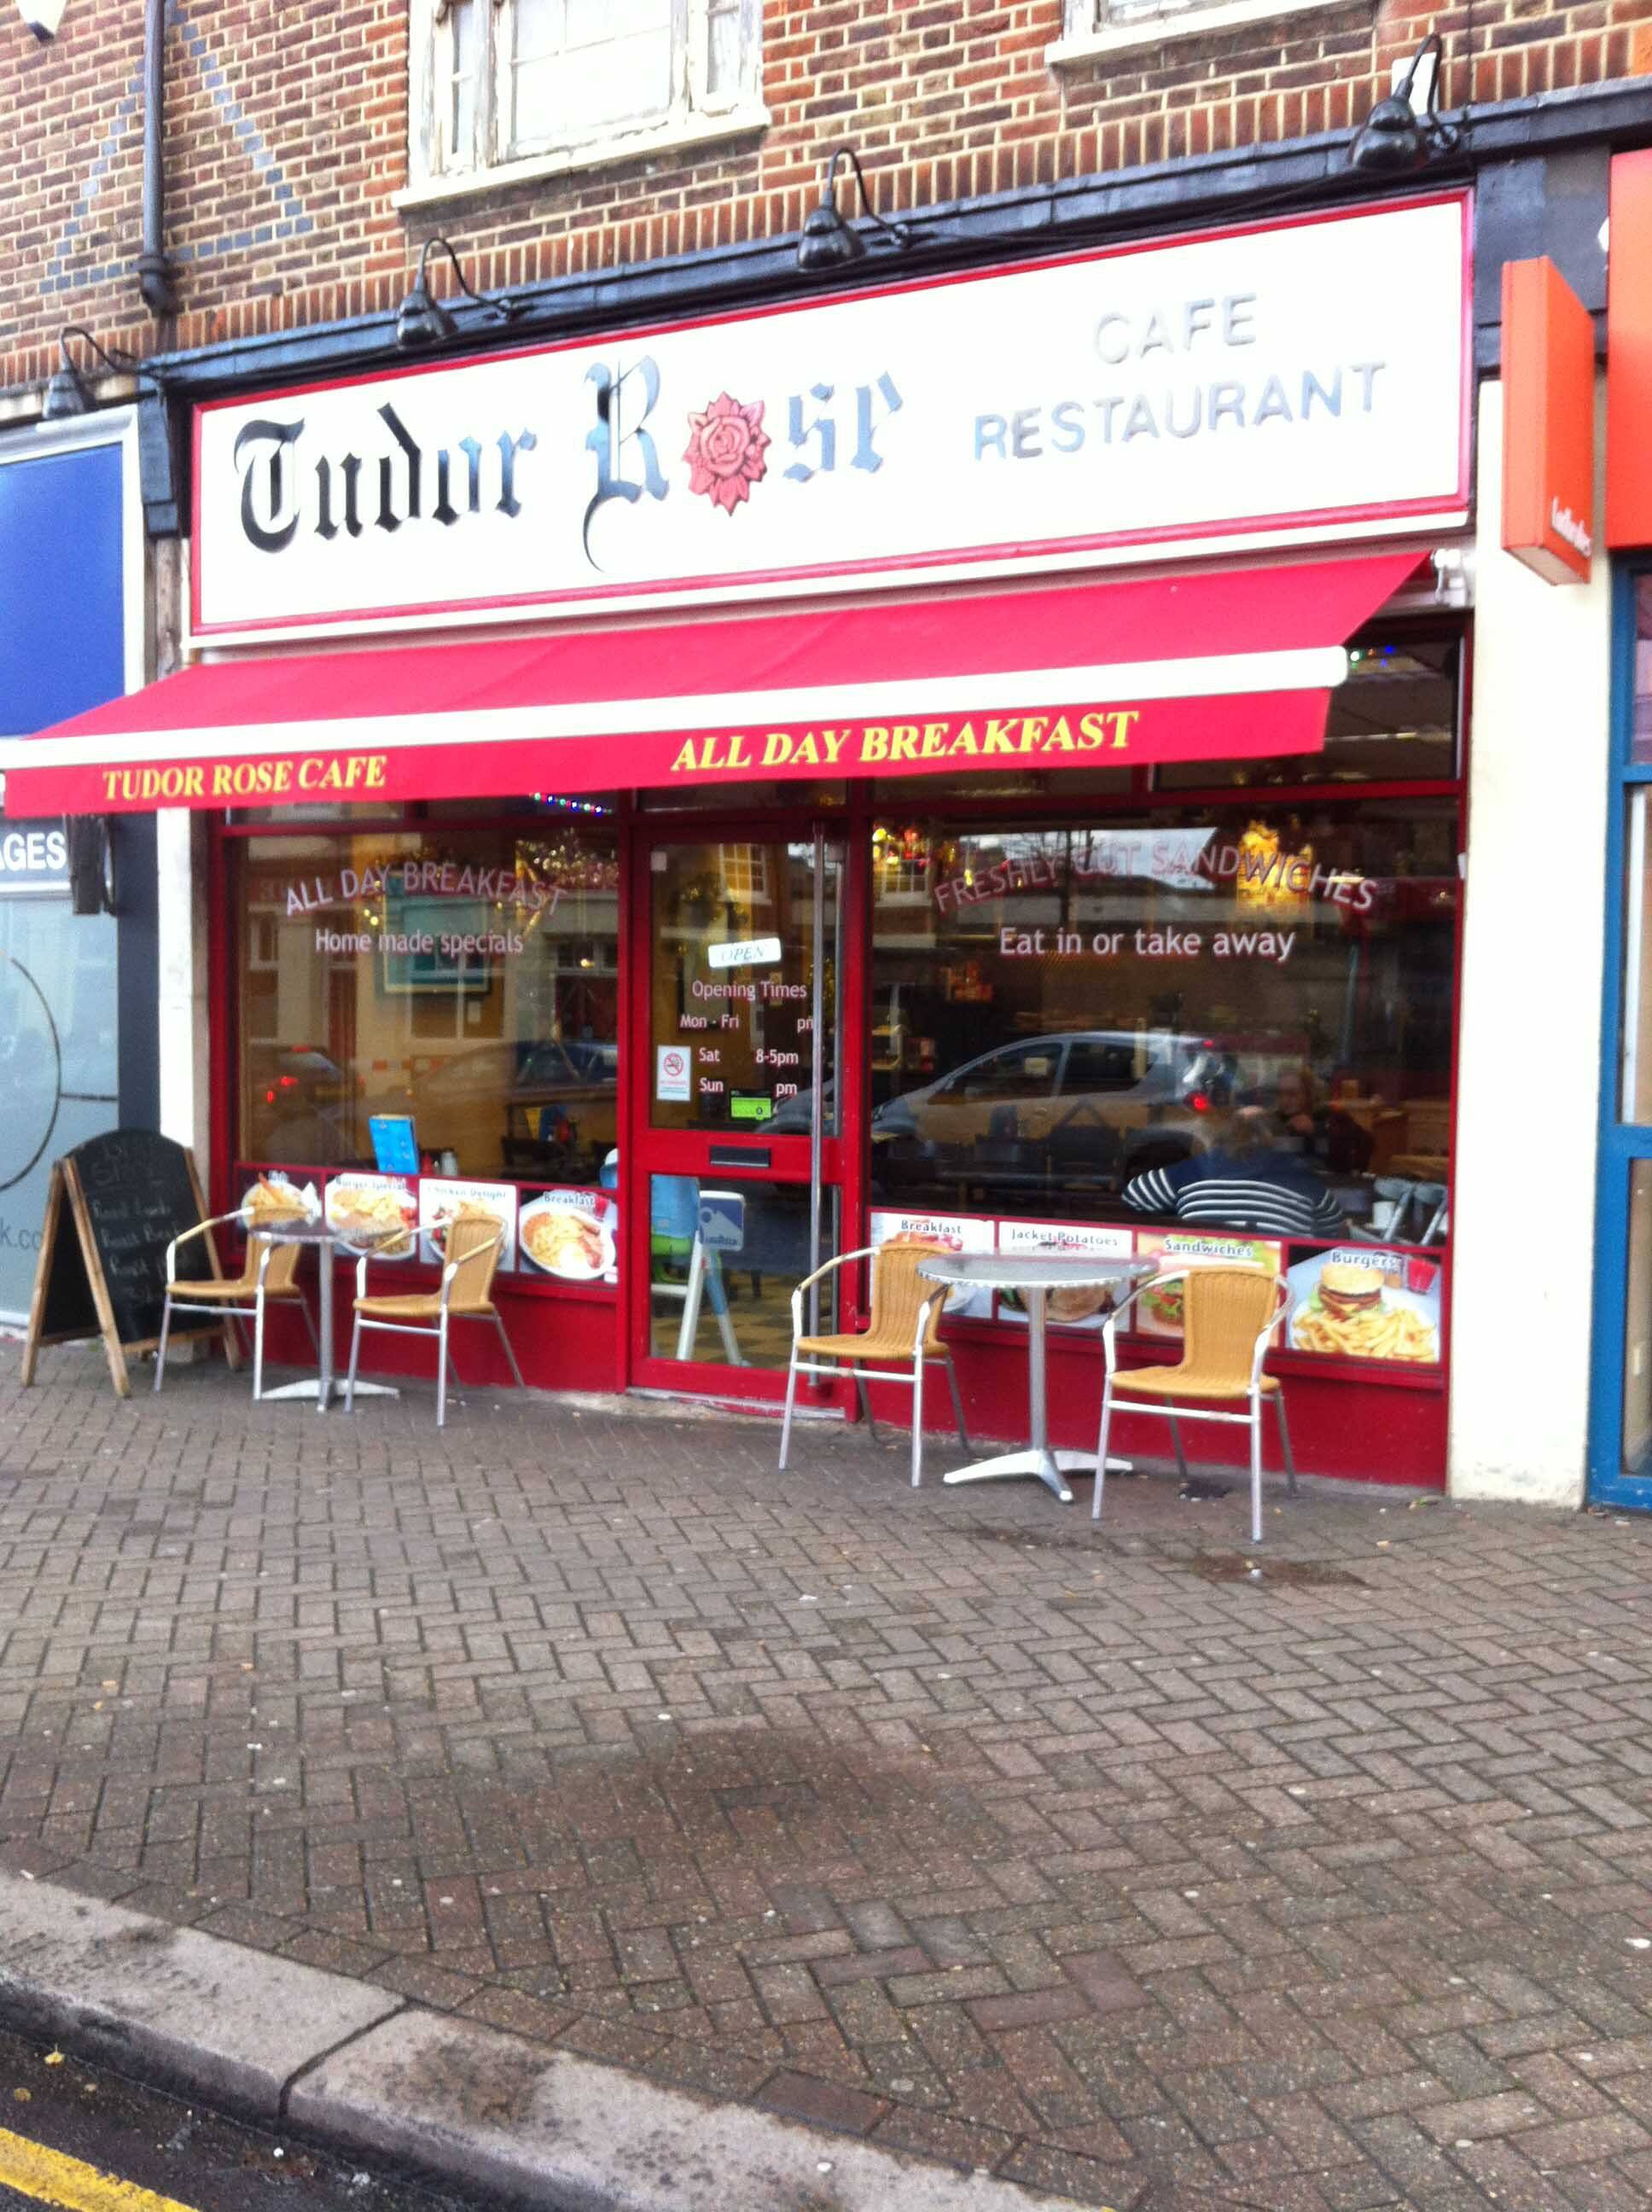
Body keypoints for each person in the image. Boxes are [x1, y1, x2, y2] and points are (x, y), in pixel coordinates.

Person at [1123, 1107, 1348, 1238]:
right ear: (1280, 1139)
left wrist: (1180, 1208)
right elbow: (1333, 1228)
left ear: (1226, 1135)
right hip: (1274, 1284)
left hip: (1197, 1280)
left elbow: (1135, 1196)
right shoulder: (1300, 1176)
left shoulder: (1198, 1168)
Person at [1271, 1064, 1374, 1175]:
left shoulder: (1332, 1115)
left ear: (1309, 1093)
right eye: (1280, 1094)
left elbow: (1365, 1143)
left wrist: (1316, 1130)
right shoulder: (1276, 1119)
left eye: (1292, 1094)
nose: (1284, 1100)